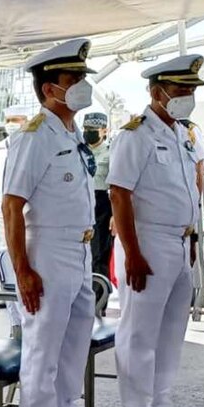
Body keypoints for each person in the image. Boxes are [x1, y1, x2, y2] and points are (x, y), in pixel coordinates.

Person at [3, 39, 118, 407]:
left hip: (78, 251)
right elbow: (12, 206)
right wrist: (23, 270)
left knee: (73, 355)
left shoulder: (70, 134)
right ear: (50, 88)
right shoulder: (34, 137)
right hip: (47, 253)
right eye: (74, 79)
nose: (82, 85)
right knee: (42, 357)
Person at [109, 54, 204, 407]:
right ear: (156, 93)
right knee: (140, 330)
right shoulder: (135, 135)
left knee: (171, 328)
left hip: (180, 242)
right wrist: (132, 252)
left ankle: (161, 401)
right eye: (180, 89)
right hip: (147, 242)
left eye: (191, 90)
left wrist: (192, 238)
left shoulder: (183, 134)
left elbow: (188, 192)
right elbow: (119, 194)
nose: (187, 97)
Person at [0, 105, 30, 333]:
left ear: (25, 120)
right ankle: (15, 319)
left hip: (23, 209)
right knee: (4, 258)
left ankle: (26, 312)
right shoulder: (0, 147)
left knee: (23, 256)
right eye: (9, 120)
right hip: (1, 209)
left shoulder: (32, 145)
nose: (12, 124)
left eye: (17, 120)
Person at [85, 112, 113, 281]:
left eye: (93, 129)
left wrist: (115, 215)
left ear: (104, 130)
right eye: (86, 129)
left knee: (99, 253)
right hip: (81, 203)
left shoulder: (111, 154)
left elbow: (116, 186)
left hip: (101, 206)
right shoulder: (79, 151)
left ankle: (99, 293)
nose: (89, 132)